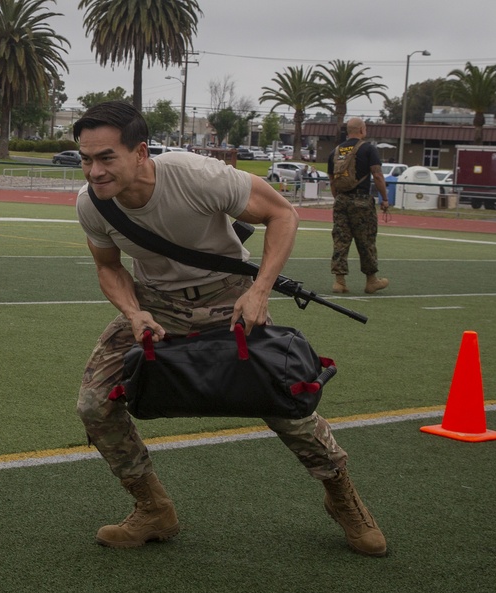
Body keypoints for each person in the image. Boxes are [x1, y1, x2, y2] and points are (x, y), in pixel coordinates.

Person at [72, 101, 386, 557]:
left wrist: (258, 291)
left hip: (229, 298)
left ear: (140, 152)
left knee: (286, 406)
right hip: (156, 305)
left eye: (105, 158)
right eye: (85, 159)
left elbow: (283, 214)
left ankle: (342, 499)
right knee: (94, 405)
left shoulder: (195, 175)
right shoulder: (91, 204)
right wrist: (132, 311)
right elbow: (109, 267)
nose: (94, 171)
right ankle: (153, 508)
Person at [326, 118, 390, 295]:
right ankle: (371, 281)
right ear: (362, 130)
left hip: (341, 201)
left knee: (340, 240)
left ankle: (339, 282)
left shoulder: (335, 152)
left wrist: (339, 199)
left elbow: (332, 181)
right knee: (366, 240)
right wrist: (384, 199)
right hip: (361, 201)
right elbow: (377, 175)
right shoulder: (368, 148)